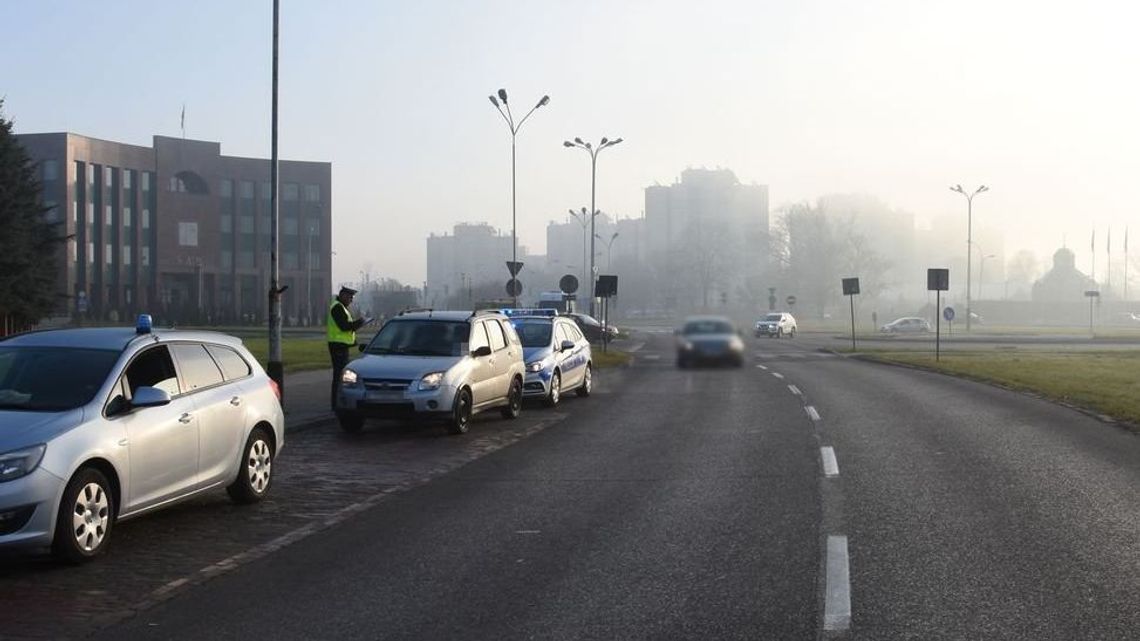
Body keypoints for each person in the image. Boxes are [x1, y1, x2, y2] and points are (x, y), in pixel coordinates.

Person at [327, 287, 371, 411]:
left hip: (341, 345)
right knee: (339, 376)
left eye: (352, 298)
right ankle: (336, 404)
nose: (351, 300)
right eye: (349, 297)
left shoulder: (341, 307)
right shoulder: (337, 307)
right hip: (338, 346)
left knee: (340, 375)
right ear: (342, 295)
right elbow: (344, 327)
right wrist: (360, 322)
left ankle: (337, 403)